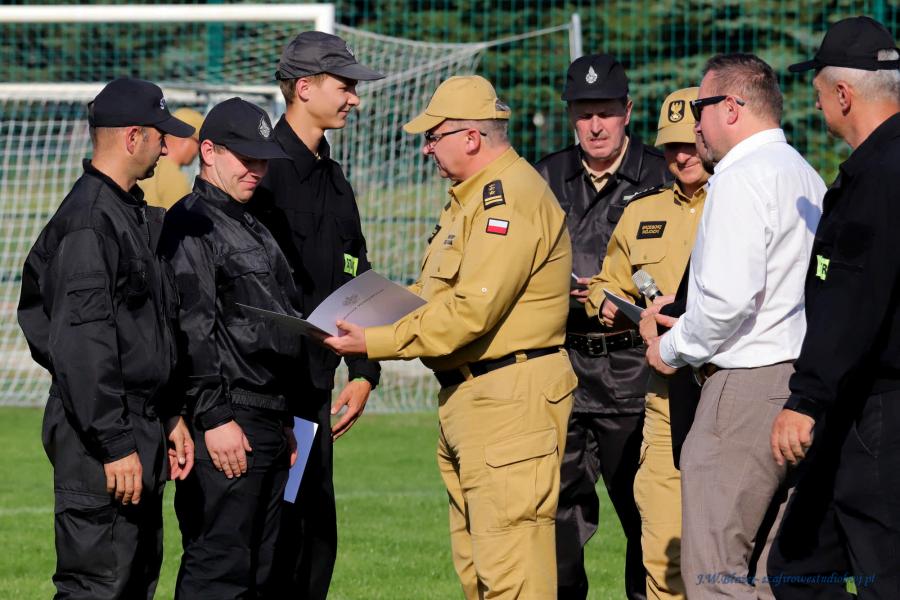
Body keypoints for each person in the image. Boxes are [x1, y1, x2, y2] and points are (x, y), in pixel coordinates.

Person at [323, 75, 576, 599]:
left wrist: (374, 342)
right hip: (475, 396)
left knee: (512, 576)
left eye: (433, 137)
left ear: (472, 138)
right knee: (479, 572)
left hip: (509, 400)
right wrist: (361, 315)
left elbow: (470, 313)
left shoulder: (508, 200)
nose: (426, 149)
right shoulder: (469, 199)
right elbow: (432, 296)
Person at [643, 53, 826, 599]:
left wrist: (671, 348)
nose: (694, 125)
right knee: (768, 575)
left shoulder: (741, 176)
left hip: (744, 385)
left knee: (713, 573)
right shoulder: (804, 173)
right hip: (798, 383)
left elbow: (726, 303)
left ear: (731, 107)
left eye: (700, 107)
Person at [17, 77, 195, 600]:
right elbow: (83, 347)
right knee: (98, 586)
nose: (167, 147)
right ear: (133, 137)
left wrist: (168, 414)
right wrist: (115, 444)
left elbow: (143, 333)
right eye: (159, 135)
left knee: (133, 581)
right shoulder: (91, 222)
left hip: (134, 425)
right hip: (102, 435)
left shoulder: (125, 212)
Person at [768, 16, 900, 599]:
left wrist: (807, 399)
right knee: (800, 562)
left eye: (819, 93)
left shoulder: (876, 177)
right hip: (864, 406)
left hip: (876, 409)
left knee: (880, 573)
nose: (817, 106)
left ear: (844, 94)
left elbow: (852, 300)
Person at [249, 30, 384, 598]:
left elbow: (357, 276)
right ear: (304, 88)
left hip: (314, 395)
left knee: (312, 544)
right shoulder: (260, 175)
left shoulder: (336, 178)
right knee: (268, 547)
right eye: (344, 86)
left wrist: (364, 370)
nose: (355, 98)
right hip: (264, 398)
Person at [534, 53, 670, 600]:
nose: (595, 126)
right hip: (562, 368)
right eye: (584, 113)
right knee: (554, 520)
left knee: (647, 516)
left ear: (627, 111)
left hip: (636, 371)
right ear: (570, 115)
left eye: (606, 112)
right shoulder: (544, 177)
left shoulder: (662, 174)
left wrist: (627, 294)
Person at [159, 97, 300, 599]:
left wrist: (283, 418)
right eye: (246, 158)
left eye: (263, 160)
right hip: (225, 421)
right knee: (218, 571)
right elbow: (190, 330)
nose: (256, 170)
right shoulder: (191, 222)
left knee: (262, 573)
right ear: (209, 152)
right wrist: (215, 418)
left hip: (265, 417)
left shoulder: (251, 222)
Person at [586, 86, 709, 600]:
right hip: (662, 396)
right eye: (671, 146)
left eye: (690, 144)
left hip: (725, 388)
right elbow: (606, 281)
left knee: (729, 546)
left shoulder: (739, 201)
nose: (682, 156)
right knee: (660, 543)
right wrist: (607, 303)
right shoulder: (641, 212)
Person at [138, 107, 204, 209]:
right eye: (198, 143)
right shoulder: (176, 180)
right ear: (185, 139)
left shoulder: (144, 164)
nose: (199, 151)